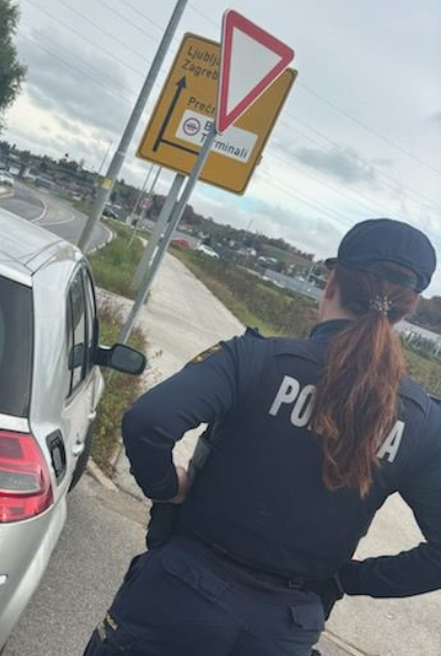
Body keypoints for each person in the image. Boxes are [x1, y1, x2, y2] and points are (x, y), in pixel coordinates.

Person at [82, 218, 441, 656]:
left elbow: (149, 421)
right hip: (285, 629)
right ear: (407, 309)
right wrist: (349, 578)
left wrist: (167, 488)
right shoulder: (423, 423)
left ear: (331, 281)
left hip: (178, 596)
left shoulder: (256, 358)